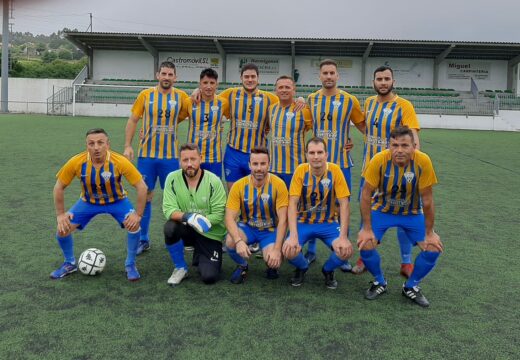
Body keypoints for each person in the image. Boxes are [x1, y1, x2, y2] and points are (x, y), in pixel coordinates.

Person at [357, 126, 442, 307]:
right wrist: (366, 228)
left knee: (433, 247)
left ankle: (411, 286)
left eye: (405, 145)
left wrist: (430, 232)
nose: (400, 150)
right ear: (389, 146)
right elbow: (365, 194)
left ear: (414, 146)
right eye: (395, 145)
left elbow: (427, 199)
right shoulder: (379, 160)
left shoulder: (423, 161)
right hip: (382, 210)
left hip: (411, 213)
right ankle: (379, 281)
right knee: (365, 244)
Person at [351, 65, 421, 278]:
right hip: (369, 172)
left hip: (397, 176)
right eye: (379, 79)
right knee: (366, 216)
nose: (383, 82)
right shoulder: (370, 103)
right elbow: (365, 127)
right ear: (374, 82)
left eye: (386, 79)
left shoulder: (404, 105)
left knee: (405, 215)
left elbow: (414, 139)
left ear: (393, 82)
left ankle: (406, 262)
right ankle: (364, 256)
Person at [51, 128, 147, 281]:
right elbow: (58, 187)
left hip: (117, 201)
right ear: (86, 145)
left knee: (134, 225)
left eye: (100, 143)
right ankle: (69, 263)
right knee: (62, 229)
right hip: (88, 202)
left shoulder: (119, 161)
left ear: (107, 145)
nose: (96, 147)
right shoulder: (76, 162)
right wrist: (60, 215)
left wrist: (138, 215)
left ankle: (130, 264)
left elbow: (142, 187)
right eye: (91, 143)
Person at [124, 61, 189, 255]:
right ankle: (143, 239)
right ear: (157, 75)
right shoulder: (145, 95)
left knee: (178, 199)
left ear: (175, 77)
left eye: (170, 74)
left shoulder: (182, 97)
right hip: (147, 157)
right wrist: (128, 145)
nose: (167, 77)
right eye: (164, 74)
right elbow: (133, 120)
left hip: (170, 157)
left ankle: (184, 238)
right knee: (146, 196)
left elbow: (185, 114)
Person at [304, 59, 365, 267]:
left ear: (337, 76)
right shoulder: (311, 99)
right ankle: (311, 250)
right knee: (310, 203)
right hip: (315, 164)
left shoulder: (349, 100)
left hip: (341, 164)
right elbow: (303, 126)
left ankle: (341, 250)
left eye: (332, 73)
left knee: (341, 206)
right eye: (325, 73)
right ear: (320, 76)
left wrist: (352, 142)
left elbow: (363, 126)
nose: (329, 76)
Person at [282, 137, 354, 289]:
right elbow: (292, 203)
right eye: (312, 152)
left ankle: (327, 270)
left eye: (320, 152)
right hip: (304, 222)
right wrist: (293, 234)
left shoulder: (335, 170)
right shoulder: (301, 171)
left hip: (328, 223)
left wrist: (343, 237)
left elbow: (344, 203)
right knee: (288, 250)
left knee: (346, 251)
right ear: (306, 155)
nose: (316, 156)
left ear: (326, 154)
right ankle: (302, 267)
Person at [162, 143, 227, 286]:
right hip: (187, 229)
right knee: (170, 227)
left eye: (193, 159)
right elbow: (168, 210)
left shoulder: (214, 181)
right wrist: (189, 217)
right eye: (185, 160)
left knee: (209, 277)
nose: (189, 164)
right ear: (180, 161)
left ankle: (201, 254)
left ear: (200, 159)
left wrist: (198, 219)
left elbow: (218, 214)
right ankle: (180, 268)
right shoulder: (172, 178)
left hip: (210, 233)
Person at [225, 147, 288, 283]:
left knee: (273, 260)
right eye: (255, 164)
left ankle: (272, 263)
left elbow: (283, 220)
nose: (259, 168)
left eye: (263, 164)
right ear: (249, 165)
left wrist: (277, 249)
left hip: (270, 231)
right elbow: (229, 217)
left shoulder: (279, 184)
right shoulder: (239, 186)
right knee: (230, 241)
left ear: (269, 164)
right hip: (248, 228)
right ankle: (243, 265)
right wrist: (238, 241)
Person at [178, 68, 230, 178]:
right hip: (193, 156)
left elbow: (236, 118)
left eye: (212, 83)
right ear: (200, 84)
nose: (209, 86)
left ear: (217, 84)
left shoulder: (223, 103)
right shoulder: (189, 102)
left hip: (214, 157)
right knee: (191, 188)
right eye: (205, 83)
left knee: (213, 190)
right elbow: (174, 120)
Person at [268, 75, 313, 189]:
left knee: (295, 204)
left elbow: (317, 131)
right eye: (280, 87)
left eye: (287, 87)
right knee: (275, 205)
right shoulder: (271, 109)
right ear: (276, 90)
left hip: (296, 169)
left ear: (294, 90)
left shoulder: (303, 110)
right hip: (273, 169)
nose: (284, 90)